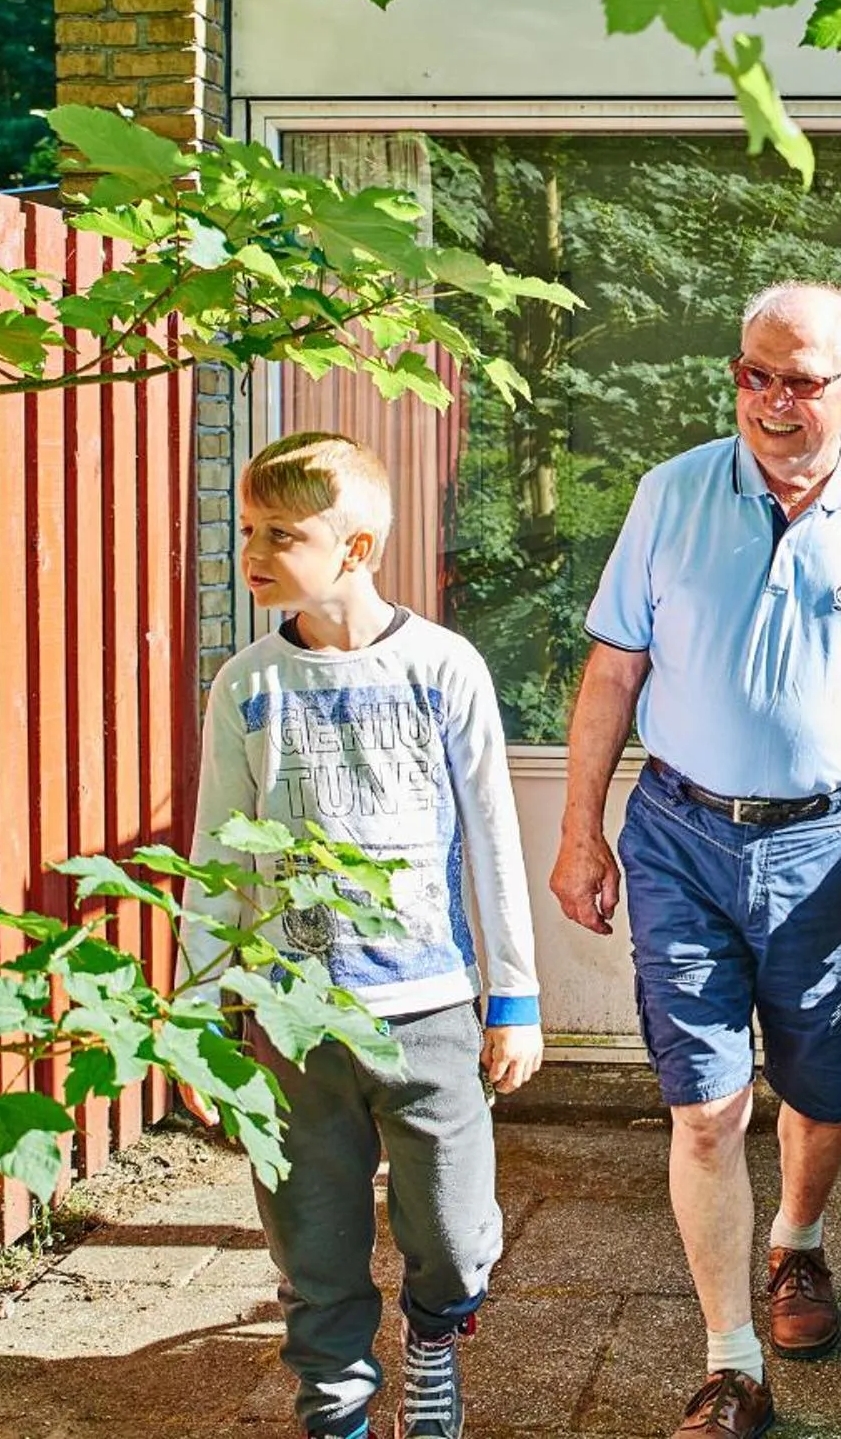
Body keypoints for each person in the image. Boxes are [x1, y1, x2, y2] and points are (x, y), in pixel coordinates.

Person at [550, 282, 841, 1439]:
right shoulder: (672, 493)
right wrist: (579, 825)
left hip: (835, 845)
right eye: (754, 374)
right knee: (705, 1109)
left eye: (799, 381)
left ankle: (798, 1241)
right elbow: (612, 677)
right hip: (681, 835)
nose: (770, 402)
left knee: (823, 1089)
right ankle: (730, 1362)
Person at [181, 431, 544, 1439]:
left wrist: (514, 998)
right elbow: (213, 855)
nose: (251, 549)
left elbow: (493, 838)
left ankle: (434, 1340)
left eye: (280, 533)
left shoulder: (443, 668)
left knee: (455, 1234)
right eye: (248, 528)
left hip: (424, 1010)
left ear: (356, 548)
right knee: (314, 1242)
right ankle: (335, 1404)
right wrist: (198, 1017)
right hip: (292, 1025)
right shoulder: (247, 685)